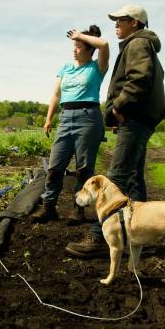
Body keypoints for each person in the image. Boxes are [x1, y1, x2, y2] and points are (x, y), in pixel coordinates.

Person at [65, 4, 165, 257]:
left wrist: (119, 107)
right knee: (133, 180)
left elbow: (139, 79)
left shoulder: (137, 44)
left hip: (134, 120)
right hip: (139, 120)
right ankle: (139, 234)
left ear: (135, 22)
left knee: (114, 181)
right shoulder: (143, 46)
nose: (116, 25)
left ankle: (97, 239)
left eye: (121, 21)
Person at [31, 25, 110, 223]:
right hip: (66, 117)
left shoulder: (96, 68)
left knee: (84, 168)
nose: (74, 49)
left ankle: (78, 209)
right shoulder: (65, 68)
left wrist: (80, 35)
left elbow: (105, 44)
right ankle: (49, 208)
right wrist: (49, 118)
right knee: (55, 166)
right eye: (73, 45)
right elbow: (56, 94)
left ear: (89, 49)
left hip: (88, 118)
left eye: (78, 46)